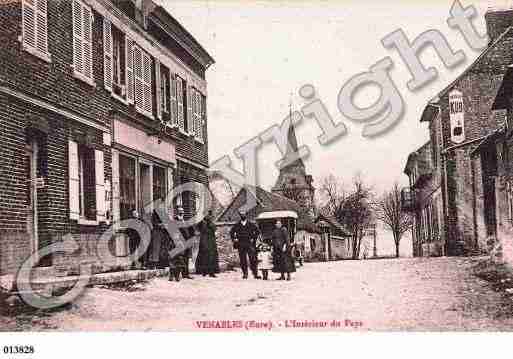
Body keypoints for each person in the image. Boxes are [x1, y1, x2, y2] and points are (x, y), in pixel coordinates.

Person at [230, 211, 261, 280]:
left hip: (249, 243)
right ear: (240, 216)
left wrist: (253, 239)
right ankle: (245, 273)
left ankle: (255, 274)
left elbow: (257, 231)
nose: (243, 216)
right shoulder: (237, 225)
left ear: (246, 215)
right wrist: (234, 239)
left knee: (253, 259)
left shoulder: (250, 224)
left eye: (244, 214)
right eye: (241, 215)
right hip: (240, 244)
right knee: (242, 259)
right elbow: (231, 232)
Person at [196, 210, 220, 277]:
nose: (209, 217)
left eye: (209, 216)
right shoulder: (202, 222)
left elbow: (214, 229)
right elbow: (197, 228)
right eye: (207, 215)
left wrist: (210, 223)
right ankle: (204, 271)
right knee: (204, 256)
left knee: (211, 256)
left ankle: (211, 272)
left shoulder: (211, 223)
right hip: (204, 240)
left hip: (211, 241)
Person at [174, 206, 195, 280]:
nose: (181, 213)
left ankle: (185, 274)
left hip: (187, 241)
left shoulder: (185, 220)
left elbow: (190, 230)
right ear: (177, 212)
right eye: (180, 212)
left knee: (186, 258)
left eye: (182, 212)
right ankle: (177, 275)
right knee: (179, 259)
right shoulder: (175, 220)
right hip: (180, 241)